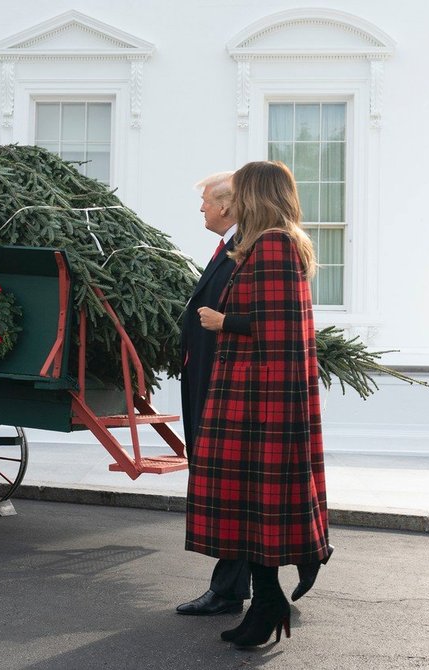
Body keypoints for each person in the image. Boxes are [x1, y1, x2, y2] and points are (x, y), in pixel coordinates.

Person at [188, 160, 331, 648]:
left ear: (257, 195)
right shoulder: (272, 243)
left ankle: (270, 600)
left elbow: (280, 328)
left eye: (242, 192)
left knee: (253, 499)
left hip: (258, 394)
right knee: (251, 503)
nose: (235, 201)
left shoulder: (273, 244)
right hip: (256, 388)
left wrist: (223, 322)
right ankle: (268, 603)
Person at [175, 172, 250, 617]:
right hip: (207, 376)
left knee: (228, 485)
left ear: (226, 205)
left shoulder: (248, 249)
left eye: (205, 201)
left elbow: (248, 318)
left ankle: (227, 591)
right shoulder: (230, 246)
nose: (201, 209)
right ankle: (296, 556)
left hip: (223, 384)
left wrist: (221, 323)